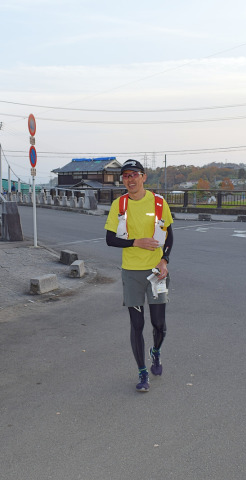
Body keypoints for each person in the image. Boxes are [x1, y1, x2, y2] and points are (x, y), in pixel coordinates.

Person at [104, 159, 174, 393]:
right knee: (137, 324)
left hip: (156, 272)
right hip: (132, 272)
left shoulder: (159, 202)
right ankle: (142, 372)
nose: (130, 179)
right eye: (126, 176)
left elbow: (169, 236)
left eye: (134, 175)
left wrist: (164, 260)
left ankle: (156, 351)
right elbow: (110, 239)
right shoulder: (119, 205)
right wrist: (136, 242)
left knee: (159, 324)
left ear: (144, 177)